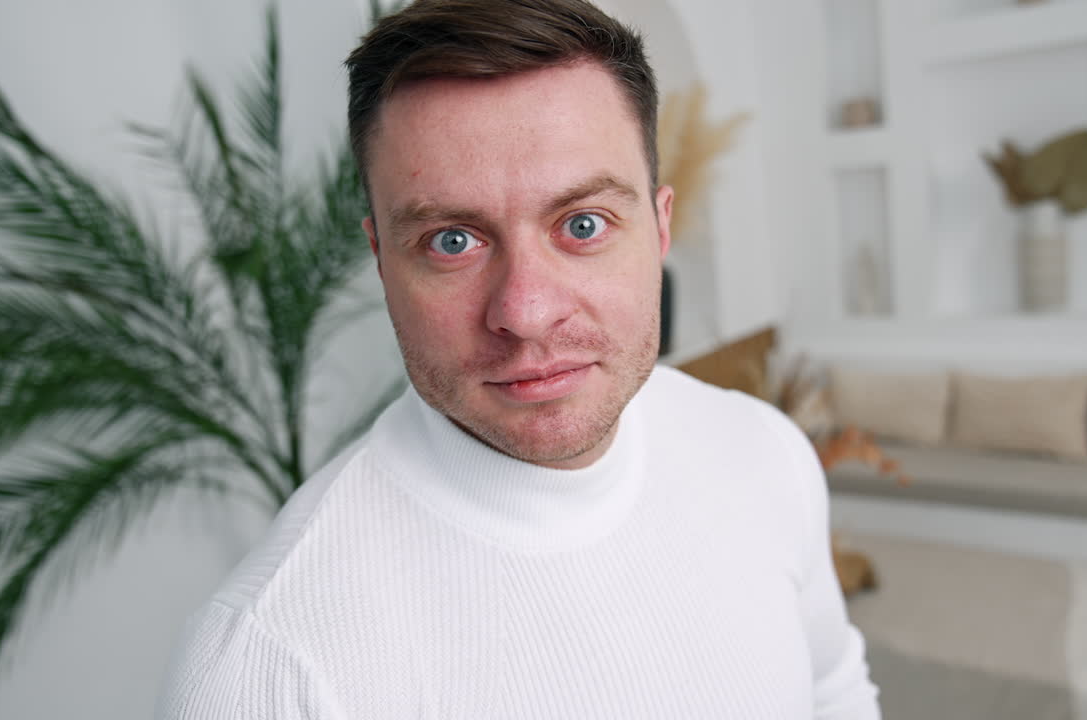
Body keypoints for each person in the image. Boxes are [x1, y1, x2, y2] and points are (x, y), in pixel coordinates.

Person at [156, 0, 881, 717]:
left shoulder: (765, 455)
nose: (526, 313)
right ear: (381, 259)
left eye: (584, 224)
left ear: (659, 229)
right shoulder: (271, 666)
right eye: (452, 241)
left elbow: (835, 691)